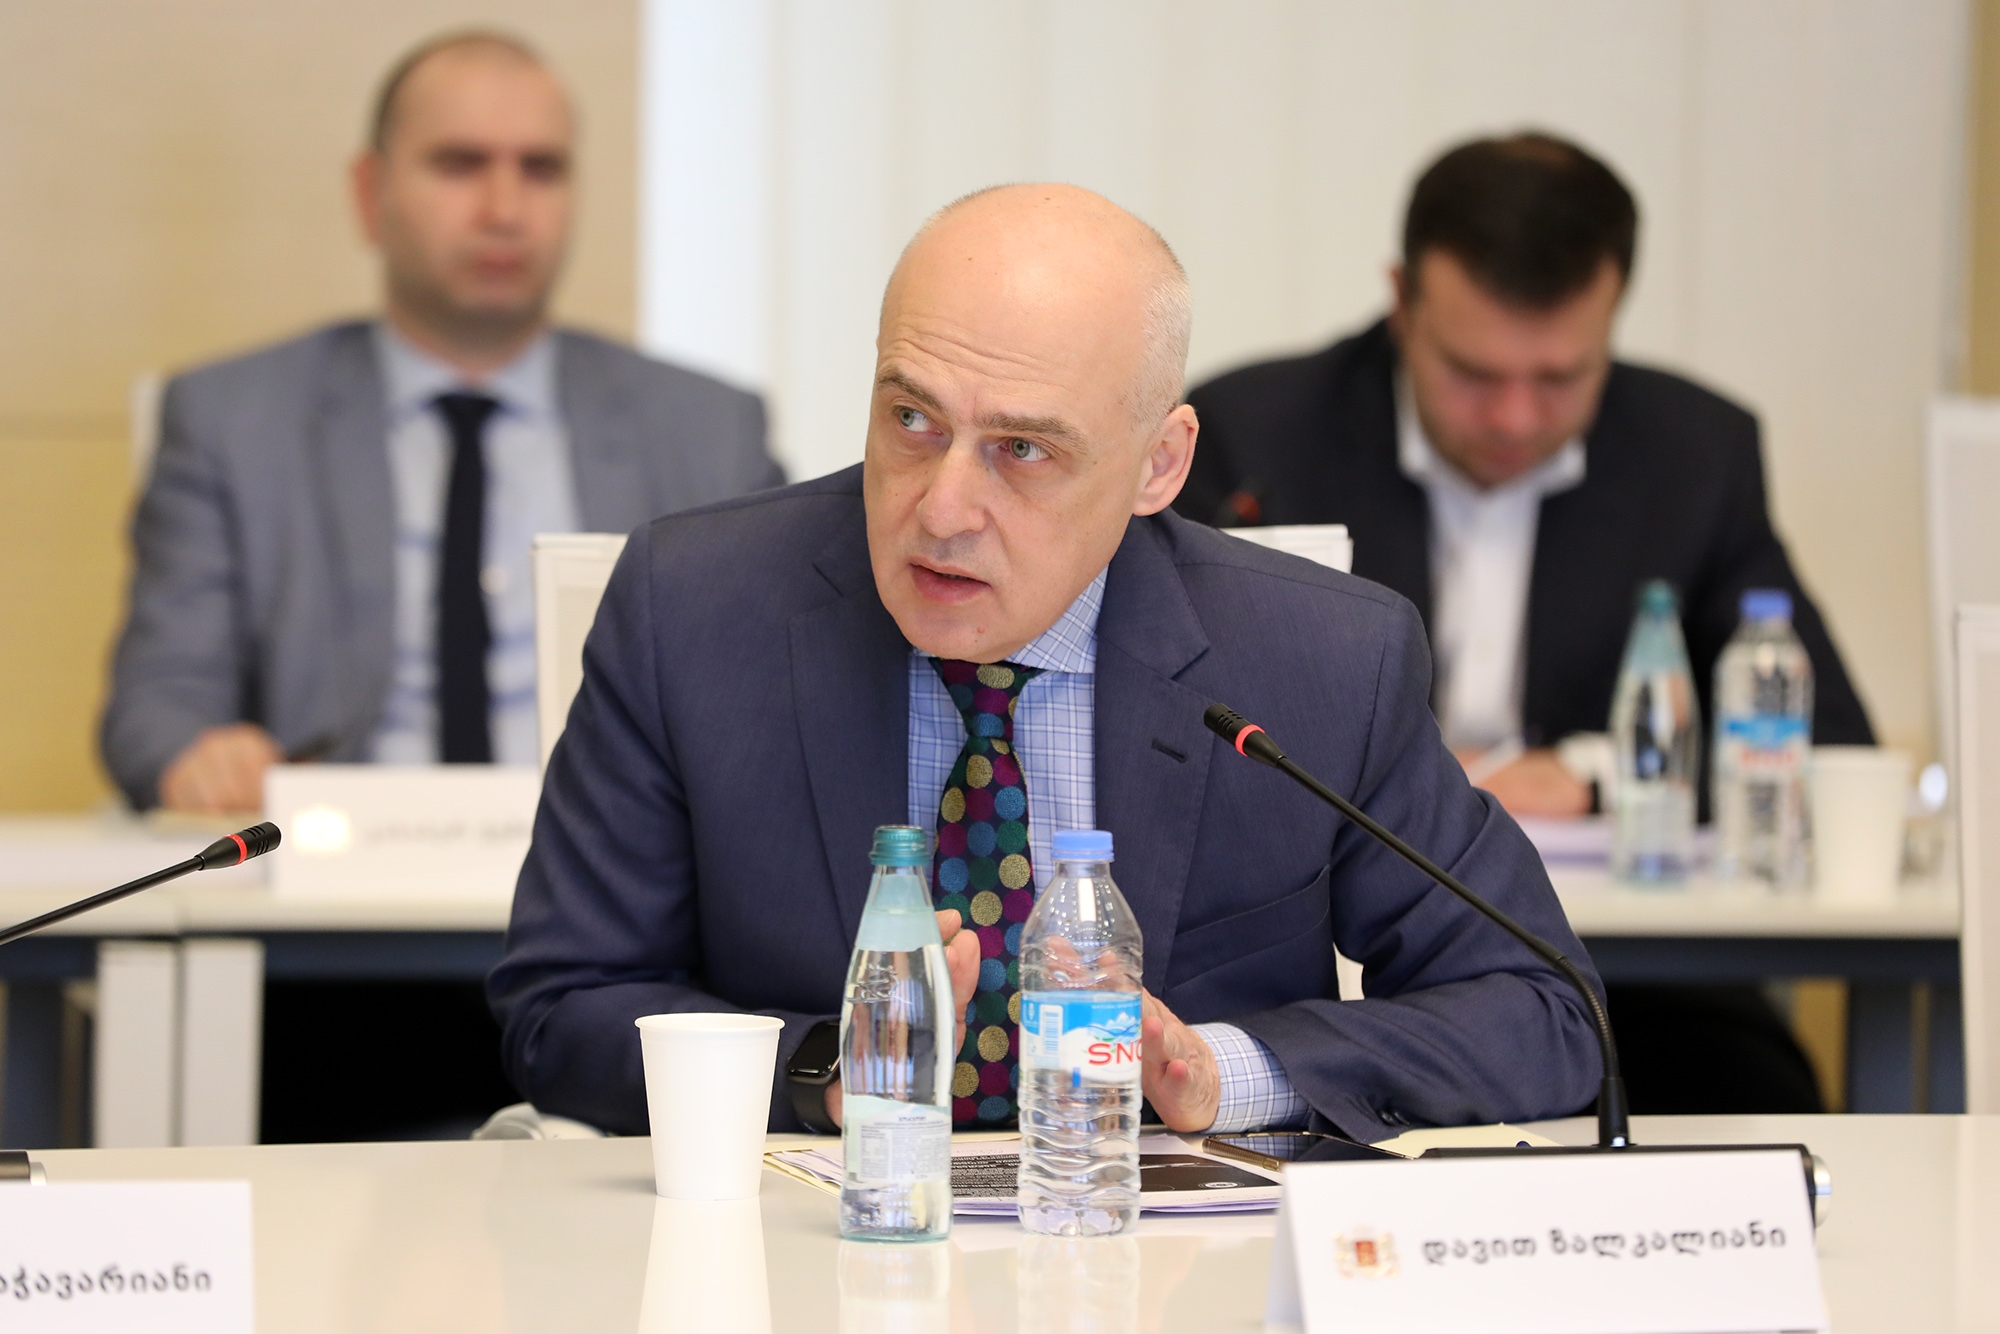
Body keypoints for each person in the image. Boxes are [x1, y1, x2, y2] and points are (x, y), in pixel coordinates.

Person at [489, 184, 1606, 1140]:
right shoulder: (692, 609)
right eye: (912, 420)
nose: (943, 508)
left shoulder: (1321, 660)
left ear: (1158, 464)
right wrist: (830, 1069)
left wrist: (1218, 1070)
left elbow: (1544, 1012)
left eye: (1021, 448)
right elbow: (563, 1004)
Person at [99, 31, 782, 1141]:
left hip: (626, 942)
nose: (505, 207)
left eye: (540, 169)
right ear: (371, 195)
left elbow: (779, 701)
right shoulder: (232, 418)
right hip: (332, 957)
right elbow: (154, 700)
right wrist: (196, 751)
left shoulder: (705, 428)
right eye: (461, 164)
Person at [1176, 132, 1869, 1113]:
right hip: (1324, 957)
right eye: (1472, 372)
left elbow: (1819, 736)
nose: (1512, 416)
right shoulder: (1254, 435)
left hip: (1627, 972)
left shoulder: (1693, 453)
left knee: (1751, 1092)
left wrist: (1591, 775)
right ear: (1402, 301)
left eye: (1558, 378)